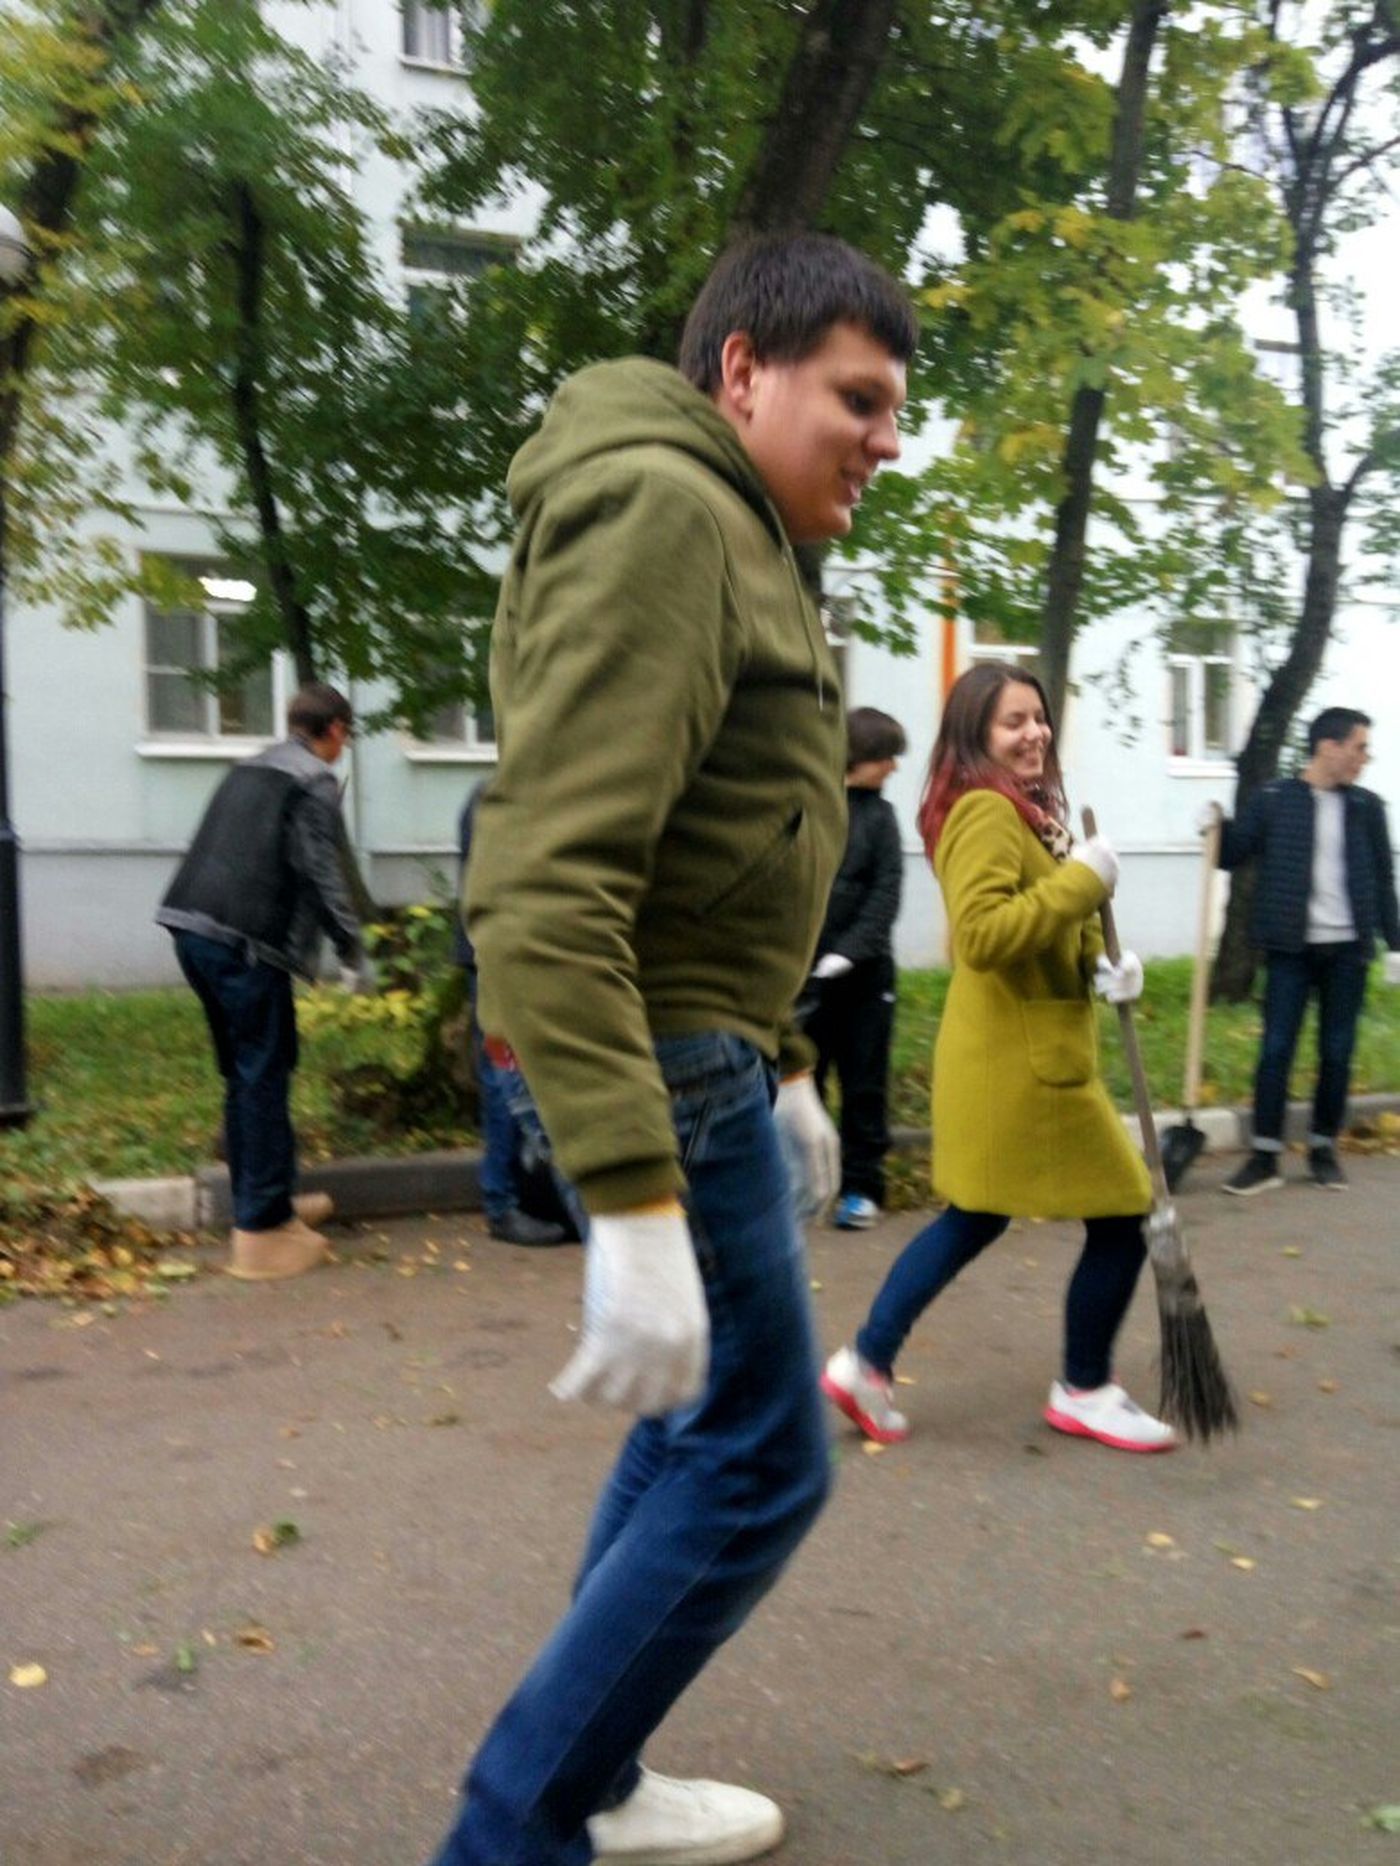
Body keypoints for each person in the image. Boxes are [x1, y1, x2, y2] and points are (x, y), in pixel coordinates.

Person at [431, 234, 916, 1866]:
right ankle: (515, 1831)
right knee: (765, 1462)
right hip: (653, 1061)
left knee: (698, 1426)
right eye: (859, 397)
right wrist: (635, 1198)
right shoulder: (668, 511)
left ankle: (597, 1778)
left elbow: (727, 849)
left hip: (707, 1056)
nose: (885, 438)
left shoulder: (742, 534)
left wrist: (790, 1064)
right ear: (743, 372)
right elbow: (543, 876)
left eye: (895, 409)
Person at [822, 661, 1178, 1455]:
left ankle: (866, 1364)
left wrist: (1101, 965)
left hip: (1015, 1052)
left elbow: (1035, 930)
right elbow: (982, 937)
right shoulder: (985, 809)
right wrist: (1082, 883)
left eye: (1038, 717)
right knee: (1124, 1211)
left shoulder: (1023, 810)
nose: (1033, 733)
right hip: (1024, 1064)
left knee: (976, 1216)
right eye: (1013, 721)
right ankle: (1084, 1389)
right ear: (974, 733)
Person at [155, 682, 368, 1280]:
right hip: (246, 942)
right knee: (265, 1072)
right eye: (346, 734)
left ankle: (265, 1202)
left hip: (191, 927)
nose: (344, 746)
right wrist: (351, 947)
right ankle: (263, 1231)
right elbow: (320, 870)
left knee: (245, 1072)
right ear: (334, 729)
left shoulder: (250, 767)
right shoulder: (313, 780)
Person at [1214, 706, 1400, 1195]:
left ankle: (1322, 1150)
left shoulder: (1366, 807)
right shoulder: (1275, 799)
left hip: (1348, 951)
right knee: (1276, 1049)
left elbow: (1384, 878)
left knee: (1337, 1052)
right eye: (1359, 748)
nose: (1364, 758)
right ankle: (1264, 1157)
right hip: (1290, 949)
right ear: (1327, 747)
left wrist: (1395, 943)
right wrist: (1214, 827)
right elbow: (1231, 854)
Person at [802, 705, 907, 1229]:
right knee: (806, 1081)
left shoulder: (881, 818)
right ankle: (813, 1184)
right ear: (857, 757)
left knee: (865, 1085)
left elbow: (886, 894)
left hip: (866, 980)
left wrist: (849, 952)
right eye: (886, 756)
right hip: (807, 979)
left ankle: (862, 1188)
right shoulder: (810, 810)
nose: (893, 766)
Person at [454, 786, 570, 1246]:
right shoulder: (509, 795)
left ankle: (512, 1196)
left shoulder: (491, 792)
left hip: (494, 950)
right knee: (507, 1075)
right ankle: (502, 1203)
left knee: (504, 1074)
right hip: (502, 955)